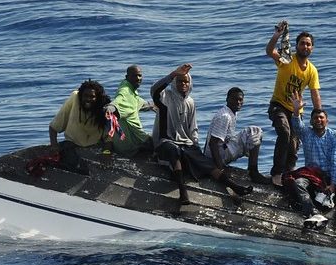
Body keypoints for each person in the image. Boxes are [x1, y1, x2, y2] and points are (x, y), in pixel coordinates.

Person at [151, 64, 252, 205]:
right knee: (173, 151)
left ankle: (235, 186)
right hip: (166, 141)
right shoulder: (165, 96)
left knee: (205, 163)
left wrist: (195, 146)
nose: (183, 84)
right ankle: (183, 193)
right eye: (180, 81)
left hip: (185, 144)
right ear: (175, 82)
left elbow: (193, 129)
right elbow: (154, 90)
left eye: (186, 81)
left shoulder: (190, 102)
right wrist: (173, 74)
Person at [284, 92, 336, 241]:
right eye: (315, 118)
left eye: (321, 118)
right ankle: (314, 214)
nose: (318, 120)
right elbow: (296, 125)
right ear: (311, 121)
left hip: (330, 175)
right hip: (311, 174)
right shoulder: (306, 133)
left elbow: (335, 159)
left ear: (327, 121)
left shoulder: (335, 135)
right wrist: (296, 111)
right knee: (298, 183)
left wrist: (332, 184)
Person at [266, 20, 322, 187]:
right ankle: (276, 173)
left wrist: (319, 115)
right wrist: (277, 35)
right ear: (297, 45)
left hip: (296, 111)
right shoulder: (286, 59)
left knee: (294, 143)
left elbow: (315, 94)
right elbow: (269, 51)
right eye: (302, 43)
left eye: (308, 44)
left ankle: (288, 174)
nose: (305, 47)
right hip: (278, 105)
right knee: (284, 132)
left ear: (312, 48)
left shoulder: (312, 70)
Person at [206, 87, 268, 185]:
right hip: (215, 158)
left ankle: (252, 170)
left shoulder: (231, 113)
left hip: (221, 151)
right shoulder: (225, 116)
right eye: (235, 99)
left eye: (240, 100)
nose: (238, 102)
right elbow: (212, 143)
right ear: (227, 99)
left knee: (251, 135)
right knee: (255, 131)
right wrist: (220, 169)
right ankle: (253, 172)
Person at [107, 65, 155, 157]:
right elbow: (118, 101)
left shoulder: (130, 90)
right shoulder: (125, 91)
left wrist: (155, 105)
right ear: (127, 77)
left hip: (130, 141)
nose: (138, 78)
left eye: (139, 75)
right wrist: (110, 108)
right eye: (134, 76)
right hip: (131, 145)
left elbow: (140, 103)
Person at [49, 79, 111, 148]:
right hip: (71, 145)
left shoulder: (104, 107)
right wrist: (54, 147)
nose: (88, 99)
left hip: (95, 147)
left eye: (92, 97)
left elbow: (109, 137)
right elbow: (53, 127)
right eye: (85, 95)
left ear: (98, 98)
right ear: (81, 96)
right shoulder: (75, 97)